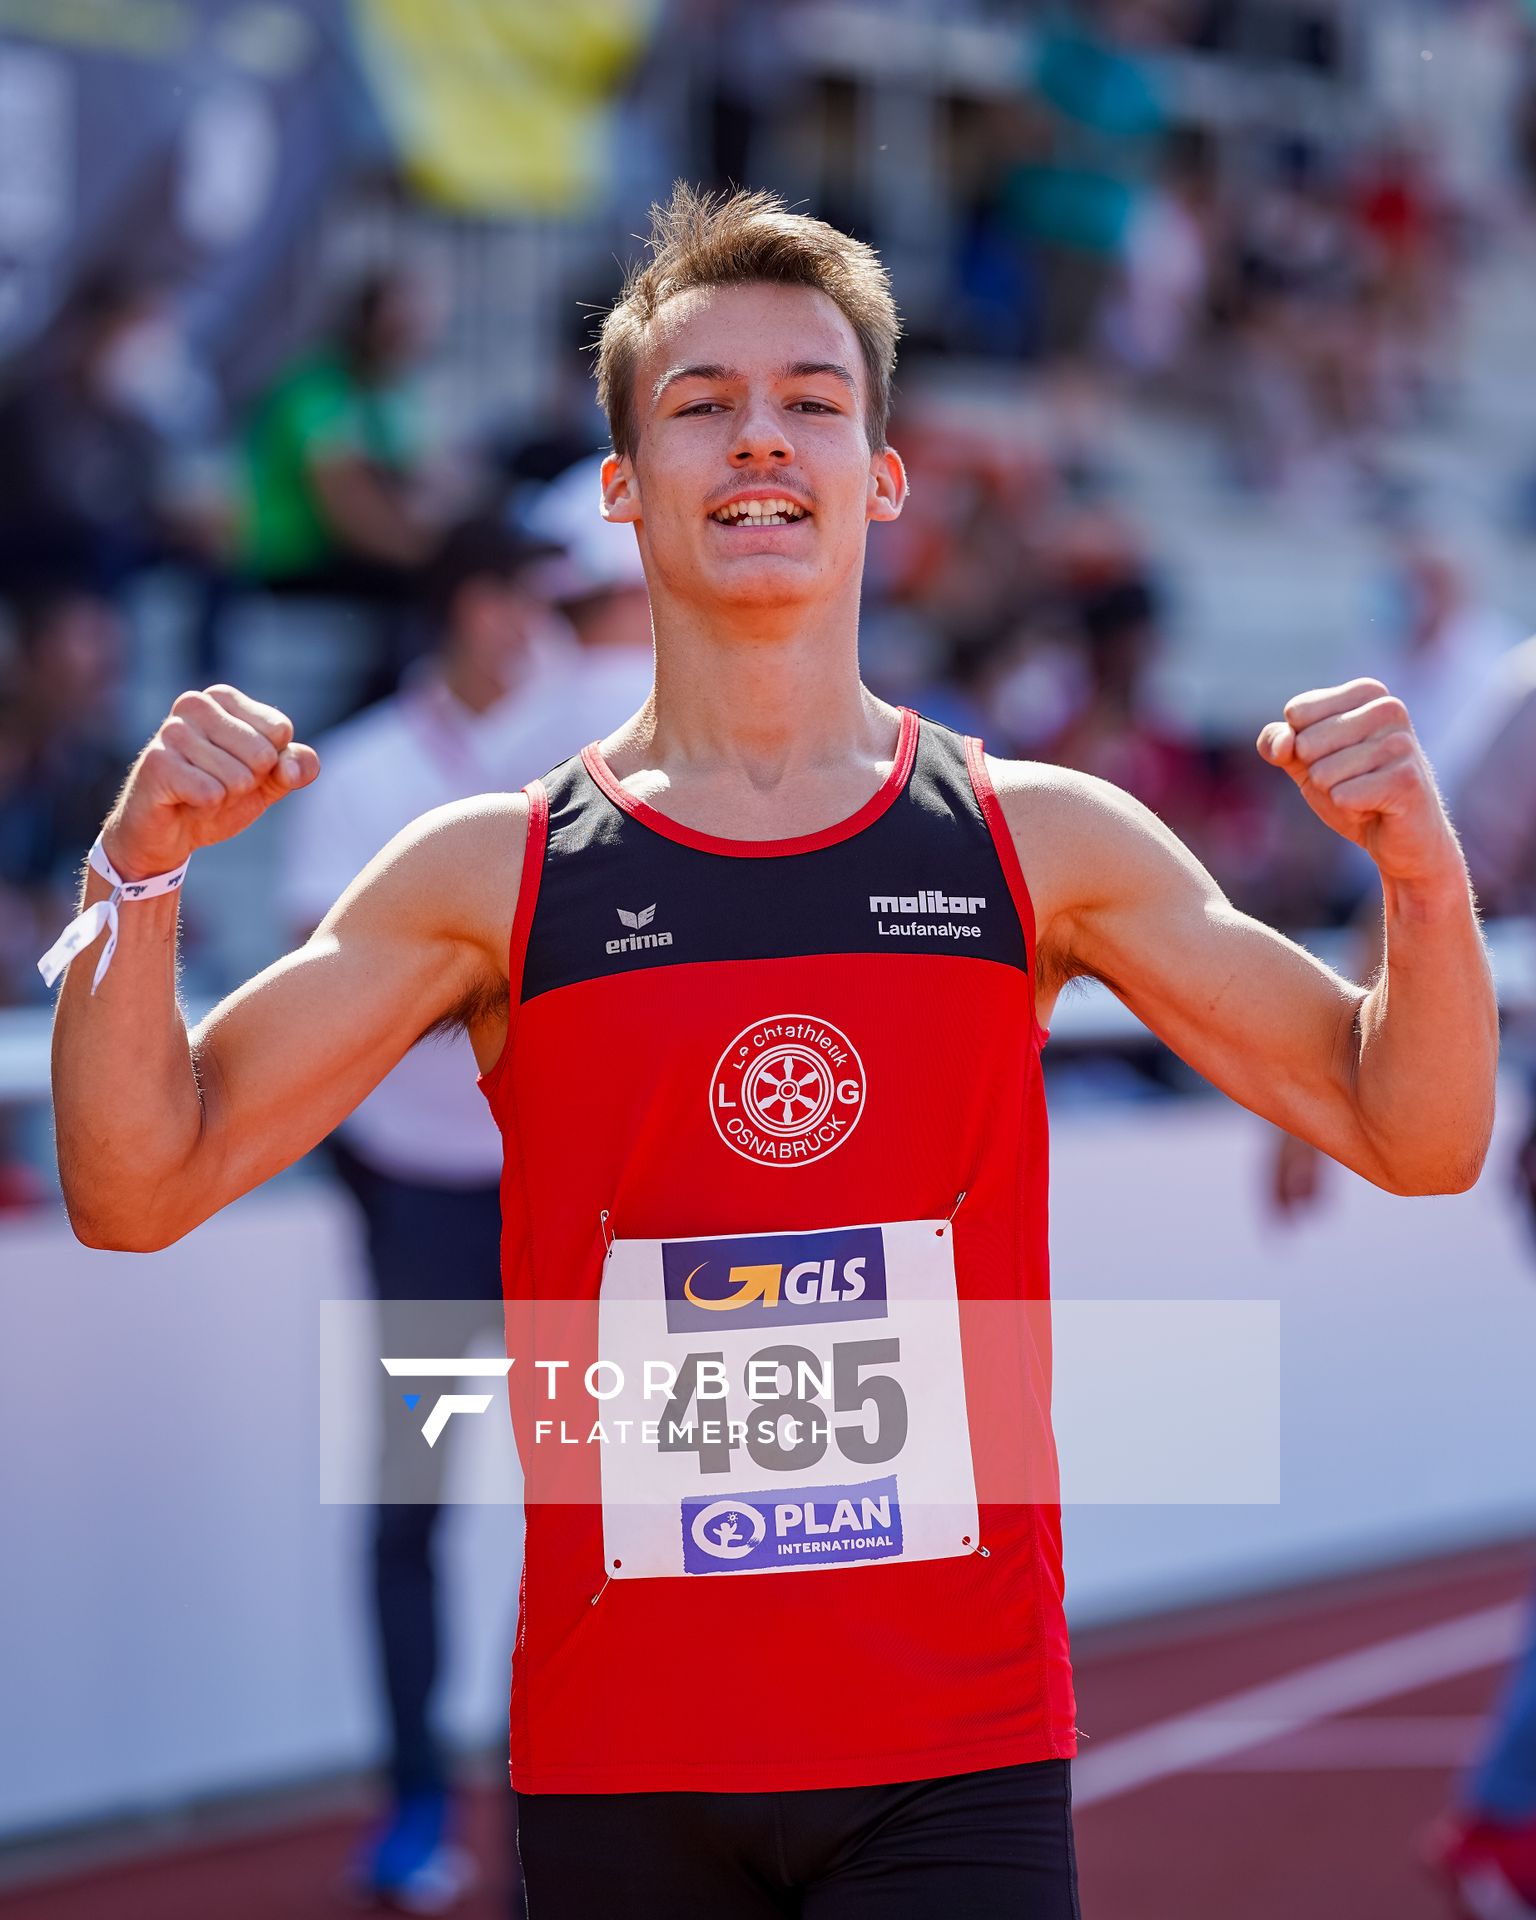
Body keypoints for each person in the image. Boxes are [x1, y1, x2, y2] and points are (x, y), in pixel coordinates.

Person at [47, 185, 1497, 1918]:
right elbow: (134, 1184)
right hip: (621, 1771)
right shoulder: (484, 874)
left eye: (814, 399)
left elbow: (1414, 1133)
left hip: (954, 1761)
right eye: (701, 403)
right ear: (620, 488)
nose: (760, 441)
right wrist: (135, 874)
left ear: (883, 477)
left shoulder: (1037, 841)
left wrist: (1420, 869)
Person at [280, 516, 574, 1913]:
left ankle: (554, 1806)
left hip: (566, 1192)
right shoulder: (371, 772)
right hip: (417, 1196)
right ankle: (411, 1806)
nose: (539, 624)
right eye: (520, 598)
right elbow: (309, 970)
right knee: (412, 1505)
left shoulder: (588, 746)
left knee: (580, 1510)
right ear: (465, 606)